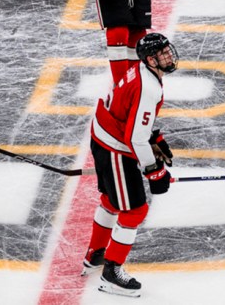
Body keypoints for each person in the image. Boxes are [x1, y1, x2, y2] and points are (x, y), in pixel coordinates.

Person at [82, 32, 179, 297]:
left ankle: (95, 254)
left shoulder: (141, 71)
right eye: (163, 53)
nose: (169, 55)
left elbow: (131, 116)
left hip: (104, 136)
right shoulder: (149, 86)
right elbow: (135, 138)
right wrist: (153, 169)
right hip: (115, 146)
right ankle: (112, 273)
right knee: (135, 210)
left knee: (113, 201)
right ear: (151, 59)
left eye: (168, 50)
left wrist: (153, 137)